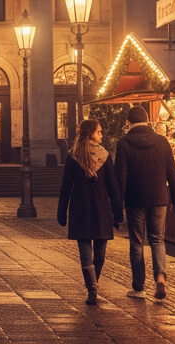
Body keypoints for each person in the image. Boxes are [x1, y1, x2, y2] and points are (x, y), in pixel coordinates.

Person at [114, 105, 175, 301]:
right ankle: (160, 277)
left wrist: (117, 210)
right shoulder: (162, 142)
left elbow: (121, 178)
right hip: (160, 198)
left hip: (135, 199)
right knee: (157, 240)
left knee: (136, 243)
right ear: (147, 120)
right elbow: (173, 173)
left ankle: (139, 286)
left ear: (129, 123)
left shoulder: (124, 143)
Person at [58, 119, 122, 305]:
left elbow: (66, 187)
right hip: (99, 208)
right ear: (90, 134)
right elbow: (113, 187)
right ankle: (93, 286)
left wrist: (63, 211)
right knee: (96, 253)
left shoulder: (77, 155)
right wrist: (117, 213)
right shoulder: (87, 156)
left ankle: (92, 285)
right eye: (99, 132)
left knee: (90, 252)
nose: (101, 134)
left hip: (82, 208)